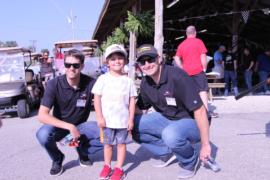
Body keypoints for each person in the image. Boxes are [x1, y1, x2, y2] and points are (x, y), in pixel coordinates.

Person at [133, 44, 211, 179]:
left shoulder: (178, 76)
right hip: (168, 119)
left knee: (170, 134)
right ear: (139, 65)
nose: (147, 64)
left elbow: (200, 111)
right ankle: (167, 151)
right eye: (142, 62)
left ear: (159, 59)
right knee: (132, 125)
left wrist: (205, 145)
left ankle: (189, 160)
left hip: (193, 121)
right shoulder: (145, 83)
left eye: (150, 59)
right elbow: (139, 109)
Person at [36, 49, 103, 176]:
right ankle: (57, 159)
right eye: (68, 65)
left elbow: (107, 99)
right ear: (63, 65)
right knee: (42, 134)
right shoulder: (53, 84)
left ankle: (83, 151)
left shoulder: (91, 83)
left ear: (82, 66)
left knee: (106, 132)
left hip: (81, 127)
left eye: (76, 65)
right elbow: (42, 115)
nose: (71, 68)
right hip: (60, 126)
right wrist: (69, 126)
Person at [92, 44, 137, 180]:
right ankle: (107, 166)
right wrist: (99, 117)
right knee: (107, 145)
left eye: (119, 58)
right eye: (113, 59)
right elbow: (97, 98)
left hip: (122, 122)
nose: (116, 61)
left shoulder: (128, 81)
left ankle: (119, 168)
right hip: (106, 122)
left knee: (121, 145)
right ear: (107, 63)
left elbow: (132, 101)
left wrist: (130, 119)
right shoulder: (102, 79)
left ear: (124, 60)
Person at [174, 25, 217, 117]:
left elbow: (176, 58)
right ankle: (205, 111)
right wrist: (204, 68)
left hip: (186, 72)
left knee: (188, 91)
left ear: (186, 34)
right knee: (202, 90)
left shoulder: (182, 44)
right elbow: (203, 56)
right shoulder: (199, 42)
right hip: (198, 70)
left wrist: (181, 67)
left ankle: (189, 111)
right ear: (195, 33)